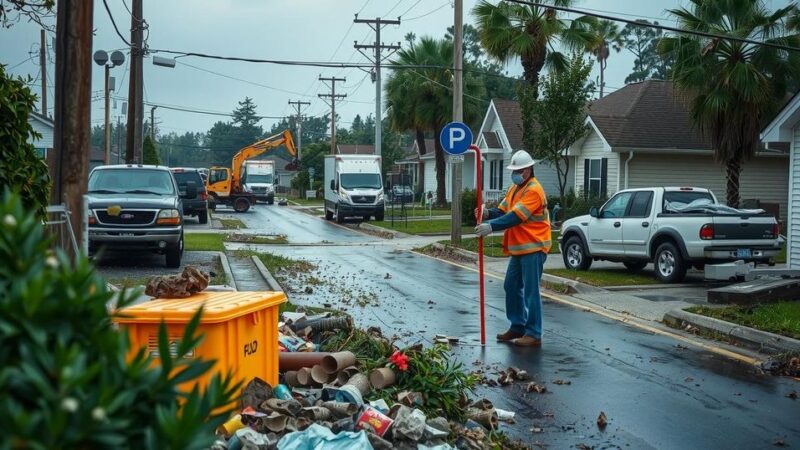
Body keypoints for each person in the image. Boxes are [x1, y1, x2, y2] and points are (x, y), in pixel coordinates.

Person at [474, 150, 551, 347]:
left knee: (531, 292)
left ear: (528, 170)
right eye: (514, 170)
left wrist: (491, 227)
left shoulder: (534, 190)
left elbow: (516, 216)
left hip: (534, 246)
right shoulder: (514, 189)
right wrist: (487, 213)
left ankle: (533, 333)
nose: (515, 173)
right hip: (520, 248)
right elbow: (502, 210)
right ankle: (518, 325)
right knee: (511, 285)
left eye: (519, 170)